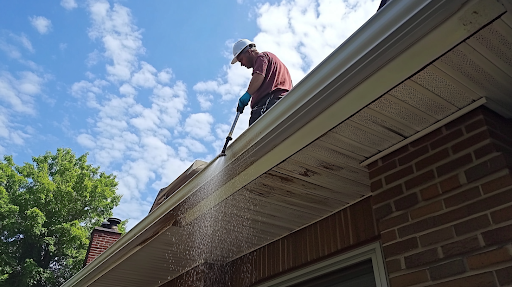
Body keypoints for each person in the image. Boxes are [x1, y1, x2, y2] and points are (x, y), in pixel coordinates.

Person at [231, 39, 293, 126]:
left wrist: (248, 94)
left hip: (268, 103)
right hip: (284, 100)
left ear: (249, 52)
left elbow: (259, 75)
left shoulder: (262, 57)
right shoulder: (273, 60)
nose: (242, 64)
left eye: (241, 60)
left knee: (256, 136)